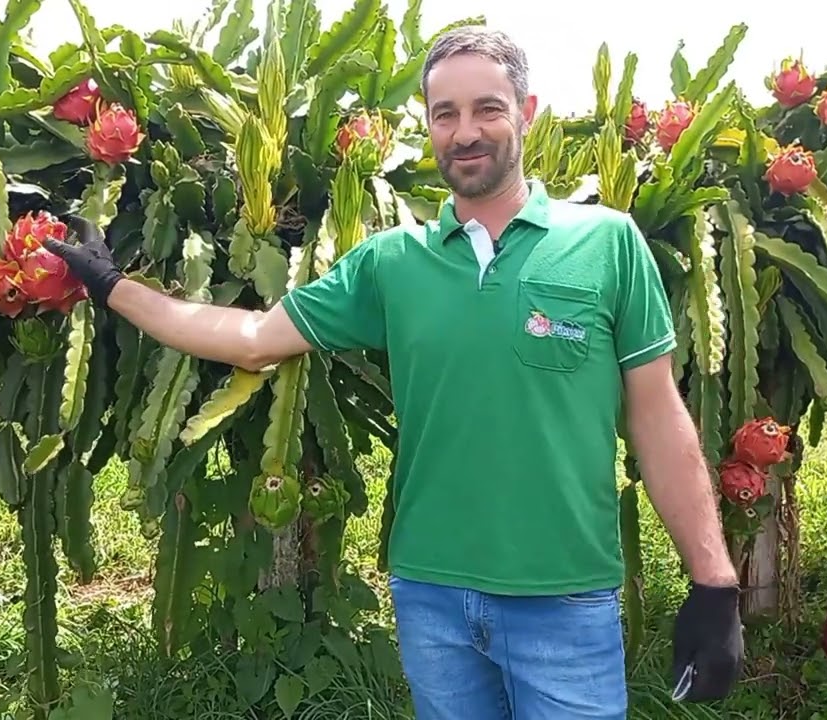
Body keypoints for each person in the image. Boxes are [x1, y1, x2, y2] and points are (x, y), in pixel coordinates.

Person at [45, 25, 743, 720]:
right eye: (446, 114)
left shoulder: (607, 242)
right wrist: (113, 287)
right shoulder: (391, 262)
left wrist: (714, 582)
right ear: (429, 127)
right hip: (430, 595)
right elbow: (255, 338)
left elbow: (657, 415)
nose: (466, 131)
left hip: (563, 598)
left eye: (487, 109)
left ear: (525, 115)